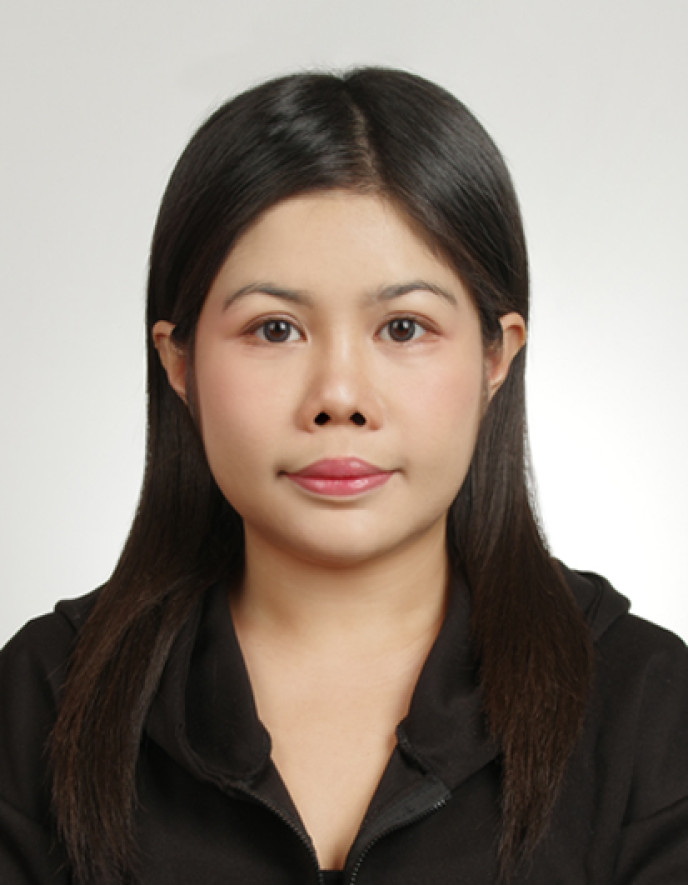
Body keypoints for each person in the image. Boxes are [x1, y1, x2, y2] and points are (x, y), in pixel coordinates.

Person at [1, 67, 686, 885]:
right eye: (274, 328)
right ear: (178, 362)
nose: (339, 397)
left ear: (495, 356)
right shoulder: (43, 696)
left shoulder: (647, 705)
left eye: (404, 327)